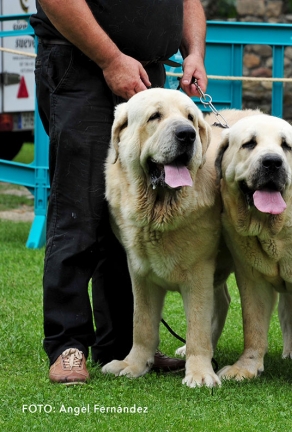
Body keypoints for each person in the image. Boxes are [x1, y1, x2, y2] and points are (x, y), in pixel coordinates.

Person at [31, 0, 209, 384]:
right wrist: (111, 59)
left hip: (148, 73)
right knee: (80, 210)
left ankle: (126, 347)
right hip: (83, 65)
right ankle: (68, 346)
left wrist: (194, 52)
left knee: (131, 217)